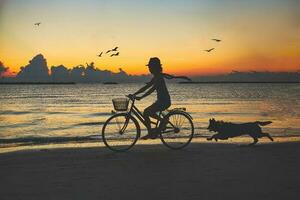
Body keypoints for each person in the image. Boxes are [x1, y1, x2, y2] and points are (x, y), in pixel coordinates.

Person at [130, 57, 191, 139]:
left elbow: (151, 89)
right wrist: (135, 94)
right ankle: (154, 130)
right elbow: (146, 87)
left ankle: (156, 127)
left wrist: (140, 97)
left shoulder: (158, 77)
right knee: (147, 112)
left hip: (164, 102)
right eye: (149, 67)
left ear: (155, 67)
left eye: (150, 67)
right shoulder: (156, 76)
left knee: (146, 112)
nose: (149, 68)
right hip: (161, 101)